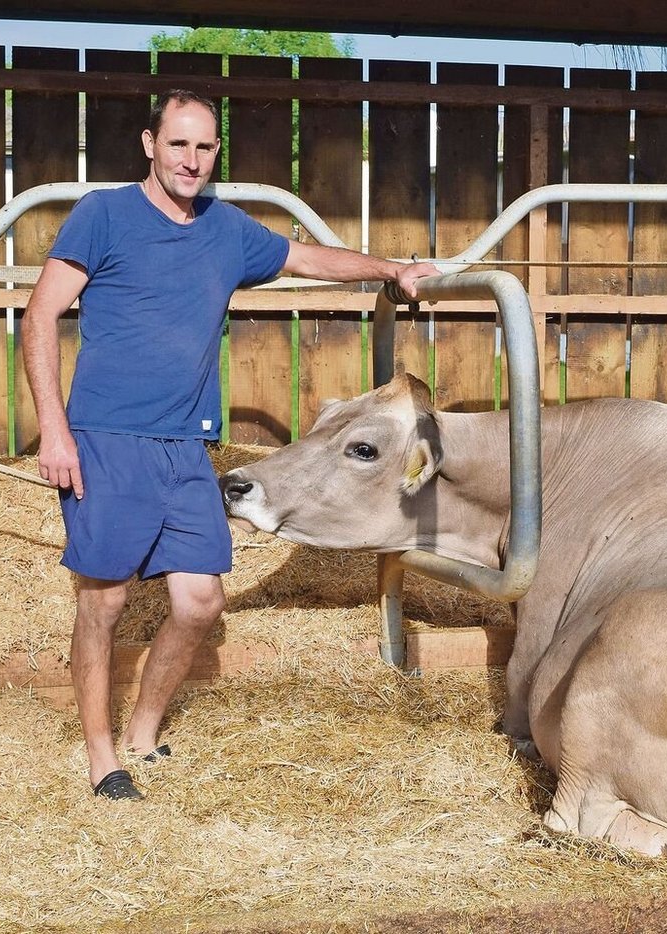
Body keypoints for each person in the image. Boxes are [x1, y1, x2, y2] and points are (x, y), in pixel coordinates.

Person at [22, 88, 439, 801]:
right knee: (105, 603)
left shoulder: (226, 230)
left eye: (205, 146)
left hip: (186, 447)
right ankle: (101, 756)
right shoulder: (104, 217)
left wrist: (391, 270)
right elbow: (38, 318)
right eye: (178, 143)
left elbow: (307, 260)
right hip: (107, 439)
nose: (192, 159)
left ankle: (143, 732)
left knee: (199, 602)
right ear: (149, 144)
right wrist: (55, 430)